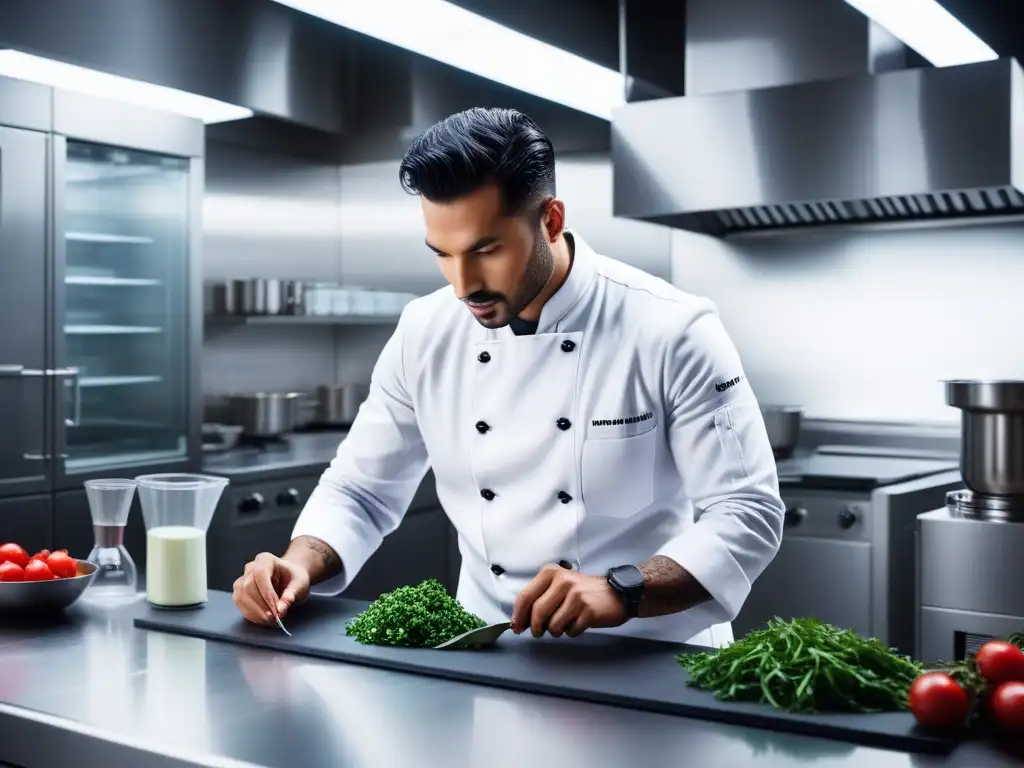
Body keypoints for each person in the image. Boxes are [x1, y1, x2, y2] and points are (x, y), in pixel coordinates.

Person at [232, 107, 784, 646]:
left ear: (551, 220)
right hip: (491, 651)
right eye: (442, 254)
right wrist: (297, 563)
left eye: (485, 250)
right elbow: (360, 490)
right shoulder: (425, 331)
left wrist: (623, 590)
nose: (462, 283)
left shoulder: (671, 326)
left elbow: (747, 511)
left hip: (655, 651)